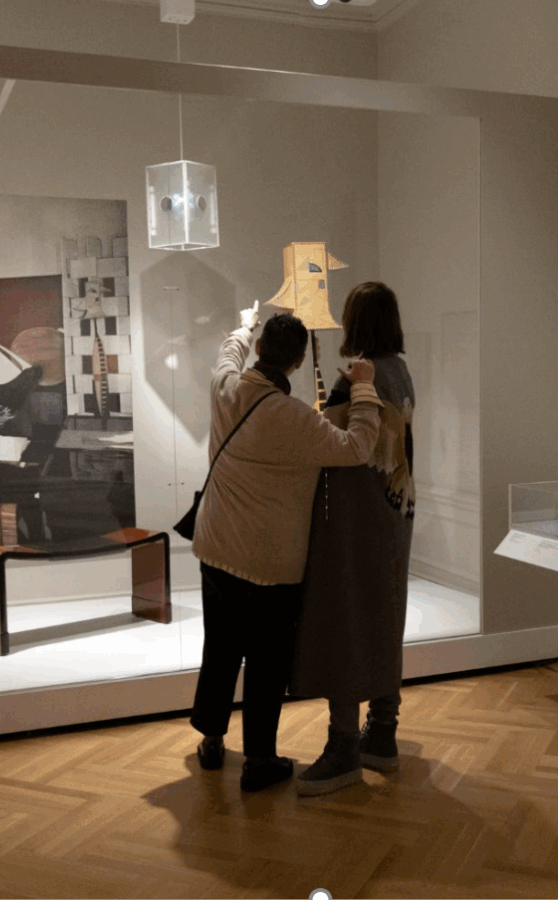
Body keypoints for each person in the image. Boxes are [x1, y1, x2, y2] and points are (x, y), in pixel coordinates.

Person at [190, 301, 382, 792]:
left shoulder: (225, 389)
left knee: (221, 647)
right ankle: (260, 760)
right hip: (269, 564)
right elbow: (358, 448)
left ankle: (212, 741)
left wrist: (243, 322)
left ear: (259, 349)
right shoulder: (296, 419)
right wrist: (363, 386)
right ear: (298, 362)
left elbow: (226, 355)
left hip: (215, 547)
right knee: (267, 661)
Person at [290, 281, 415, 797]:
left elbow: (343, 447)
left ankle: (344, 743)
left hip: (353, 517)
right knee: (386, 612)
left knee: (344, 618)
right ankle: (382, 731)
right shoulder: (400, 372)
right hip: (396, 510)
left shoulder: (359, 378)